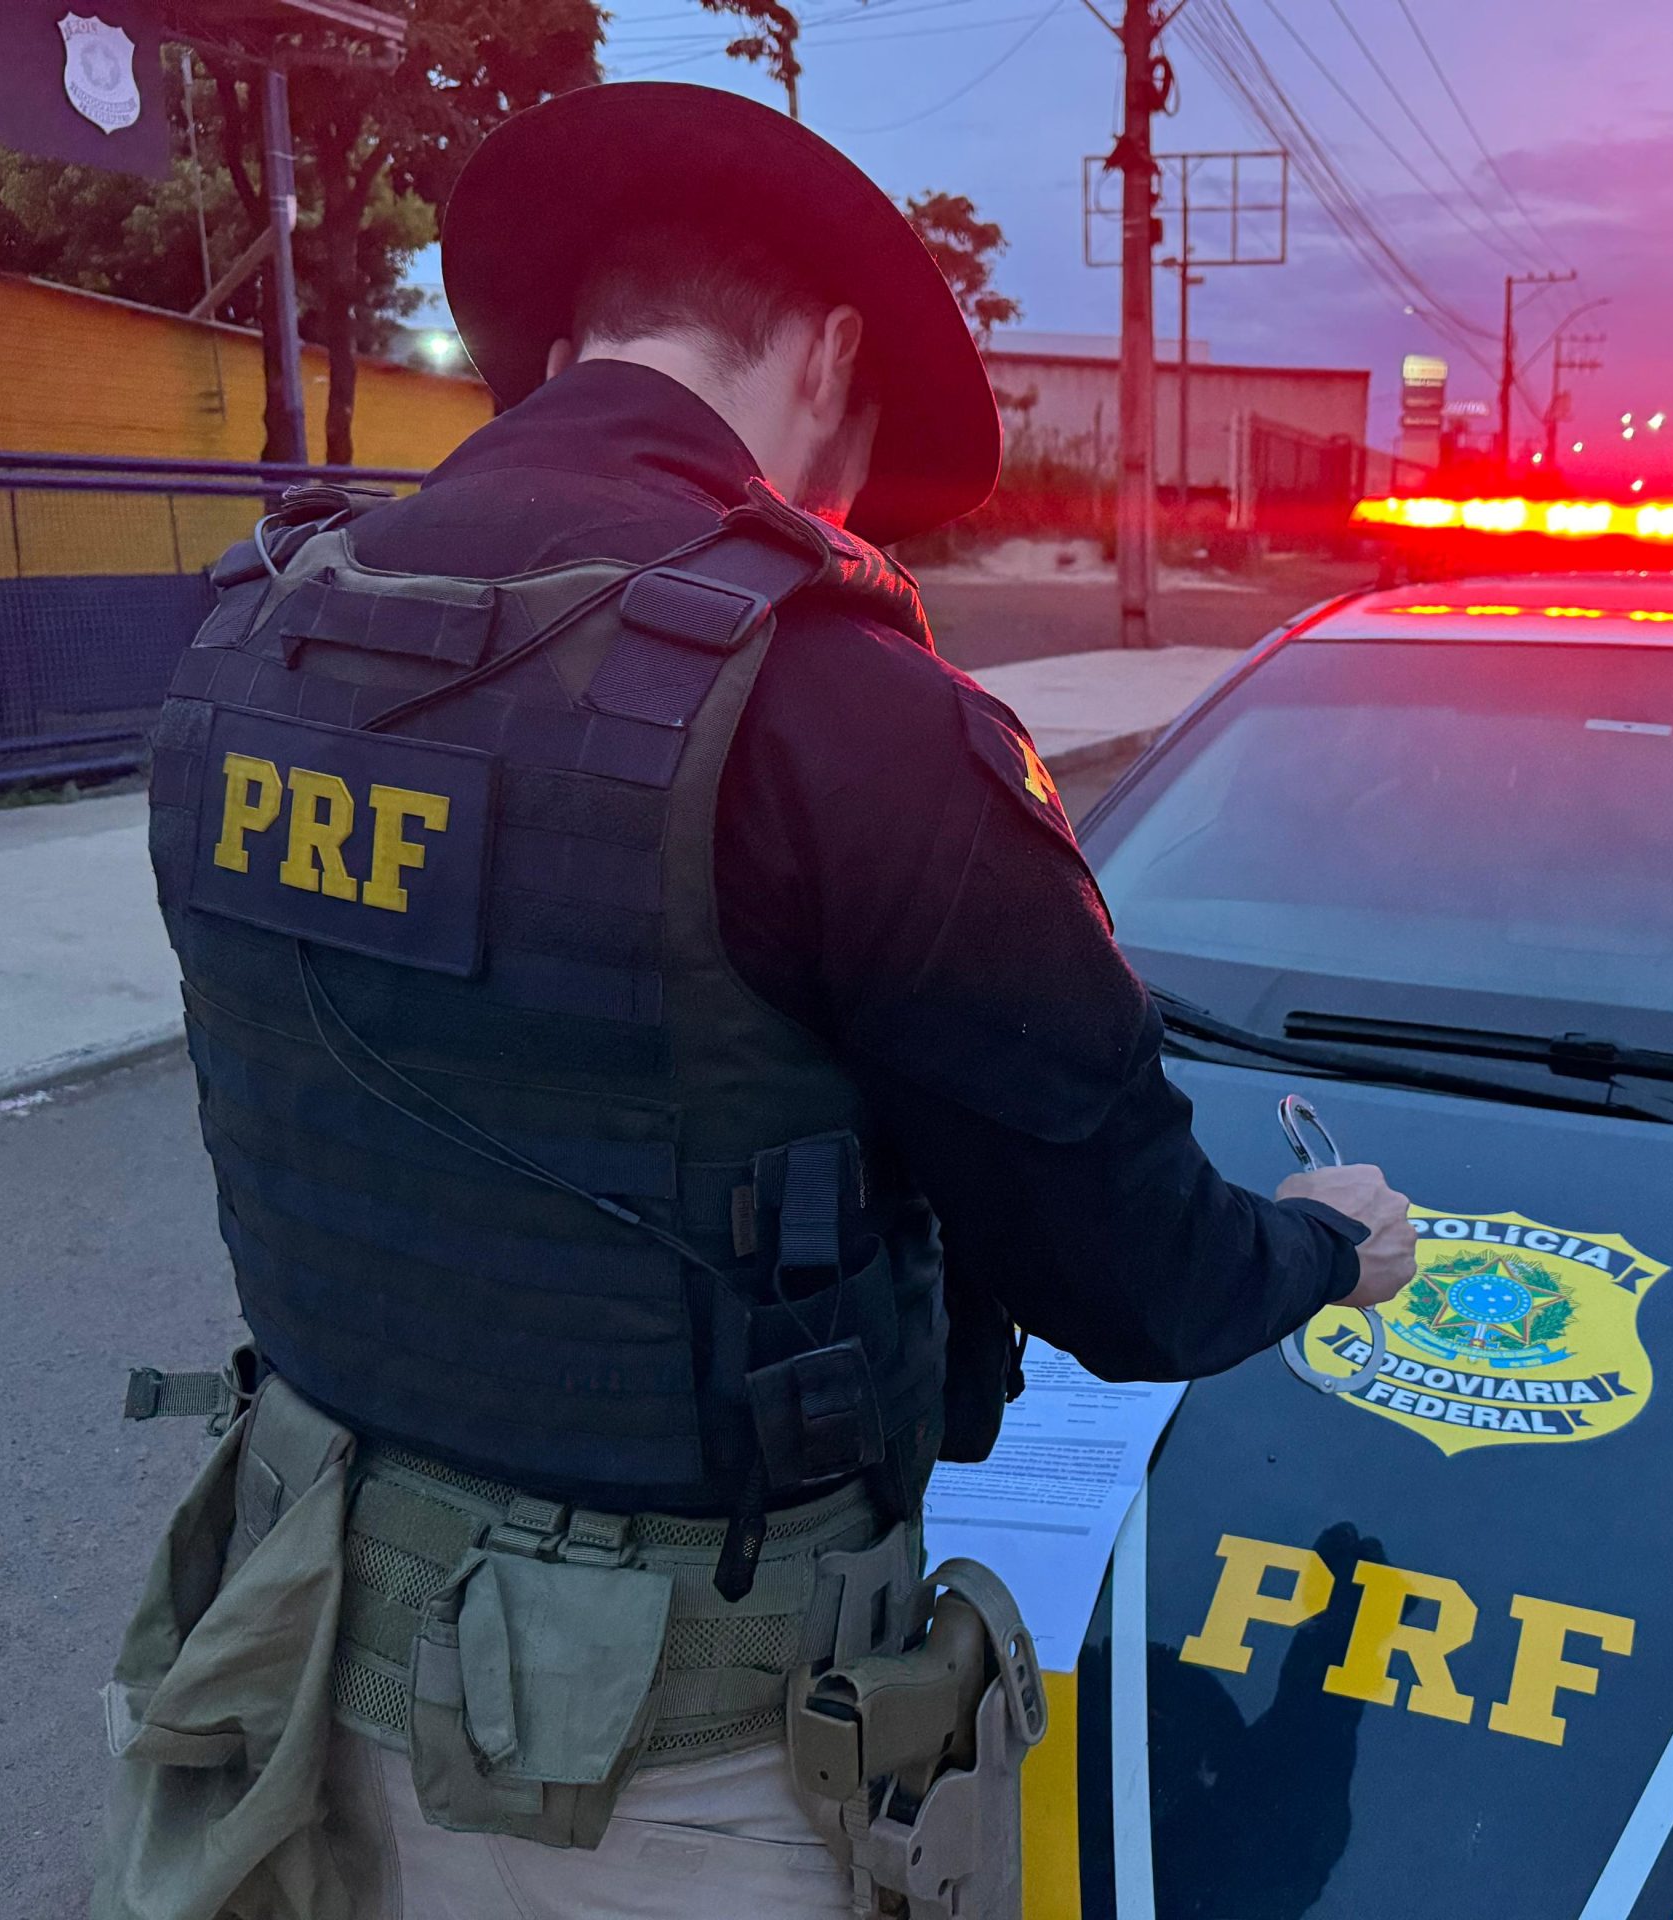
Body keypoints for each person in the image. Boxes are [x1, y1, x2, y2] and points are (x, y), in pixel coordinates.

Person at [101, 81, 1413, 1920]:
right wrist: (1326, 1245)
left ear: (569, 348)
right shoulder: (848, 717)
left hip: (274, 1681)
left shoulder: (258, 633)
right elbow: (1137, 1272)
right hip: (650, 1787)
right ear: (830, 359)